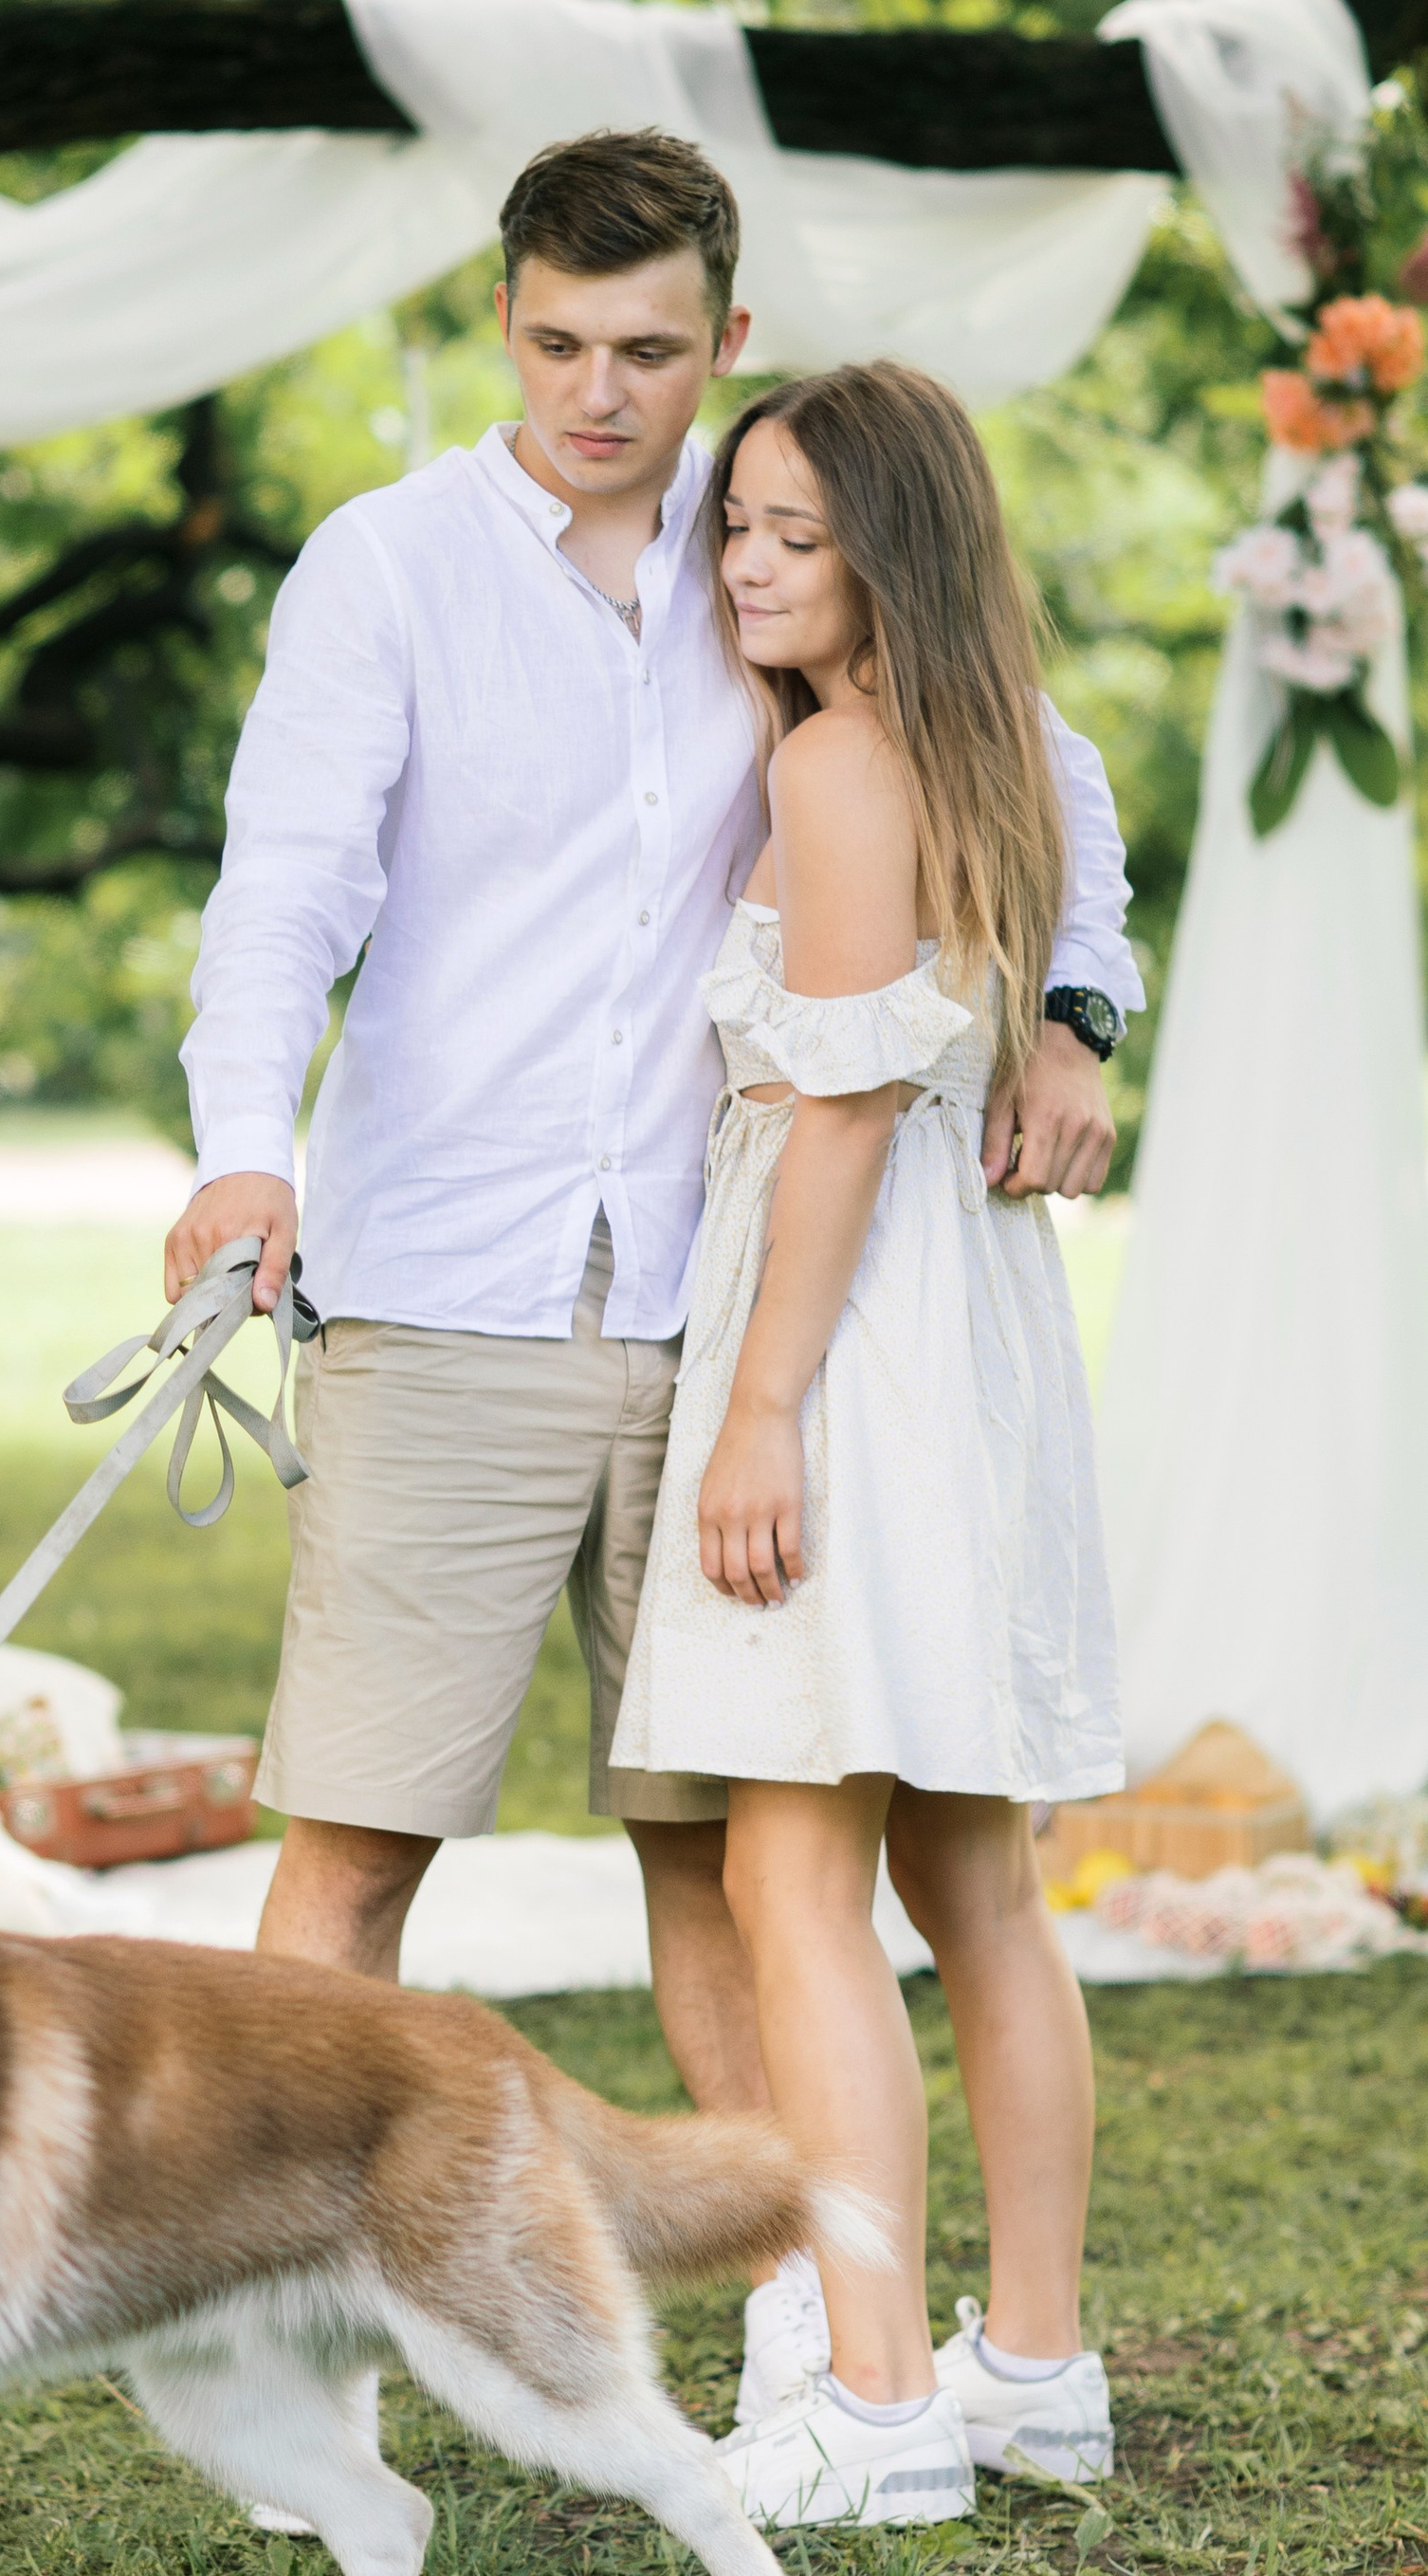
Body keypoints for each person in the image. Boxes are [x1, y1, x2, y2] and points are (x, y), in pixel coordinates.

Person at [164, 128, 1139, 2424]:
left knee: (714, 1851)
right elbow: (281, 887)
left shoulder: (778, 542)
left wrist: (1075, 1017)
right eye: (553, 343)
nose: (596, 394)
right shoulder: (385, 565)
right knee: (356, 1842)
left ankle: (817, 2325)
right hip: (445, 1286)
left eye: (645, 349)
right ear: (500, 321)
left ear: (723, 332)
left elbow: (1041, 763)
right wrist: (238, 1152)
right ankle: (286, 2334)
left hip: (722, 1313)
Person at [611, 367, 1119, 2527]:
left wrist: (756, 1412)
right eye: (732, 524)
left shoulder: (834, 763)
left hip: (848, 1320)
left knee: (792, 1867)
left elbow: (830, 1115)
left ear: (887, 552)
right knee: (974, 1876)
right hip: (971, 1317)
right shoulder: (1001, 744)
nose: (741, 565)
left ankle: (880, 2398)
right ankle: (1035, 2368)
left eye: (793, 535)